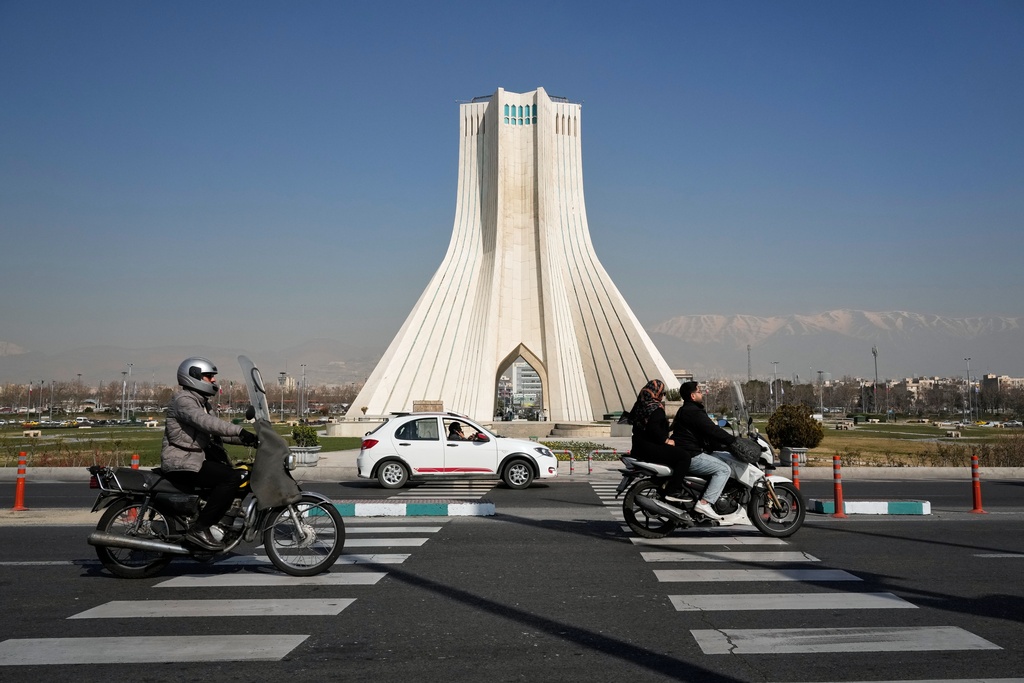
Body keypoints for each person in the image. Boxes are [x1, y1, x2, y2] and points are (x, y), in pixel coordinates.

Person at [161, 357, 259, 550]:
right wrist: (239, 431)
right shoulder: (184, 400)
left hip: (193, 460)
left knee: (241, 473)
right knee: (231, 478)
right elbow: (206, 423)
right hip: (181, 461)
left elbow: (216, 432)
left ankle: (219, 519)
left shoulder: (202, 403)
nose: (213, 381)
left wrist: (254, 439)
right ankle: (200, 529)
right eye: (208, 377)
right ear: (194, 377)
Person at [669, 380, 737, 521]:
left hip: (687, 451)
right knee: (724, 469)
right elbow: (711, 429)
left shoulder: (686, 410)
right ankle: (705, 503)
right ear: (692, 396)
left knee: (719, 458)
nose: (702, 394)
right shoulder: (694, 411)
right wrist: (732, 441)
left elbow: (706, 433)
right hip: (691, 453)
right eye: (699, 391)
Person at [627, 379, 692, 501]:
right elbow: (655, 429)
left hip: (638, 447)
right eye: (662, 394)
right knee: (684, 457)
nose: (662, 396)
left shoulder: (640, 405)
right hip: (651, 448)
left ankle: (666, 483)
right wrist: (666, 440)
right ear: (656, 393)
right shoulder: (655, 409)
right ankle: (673, 490)